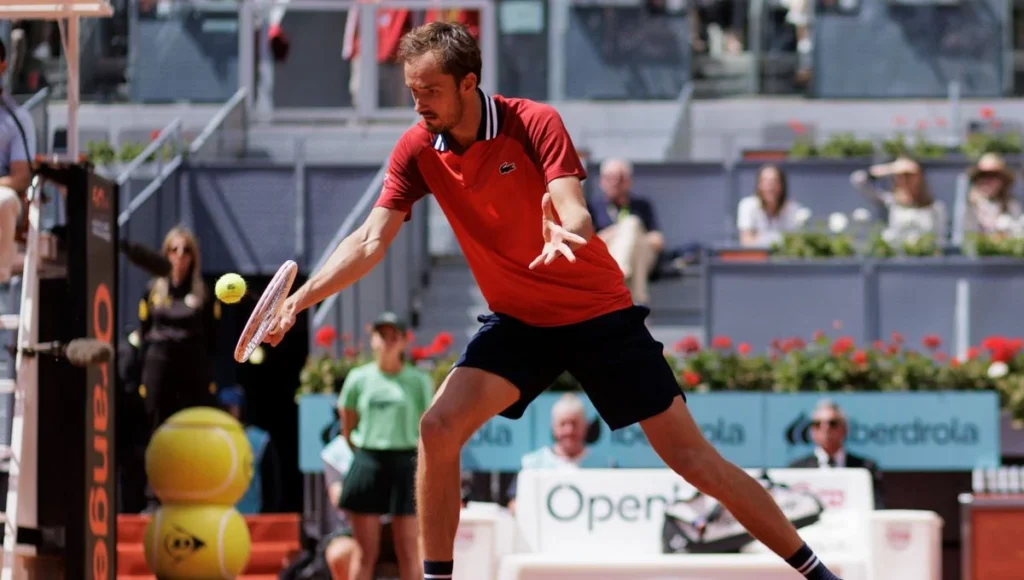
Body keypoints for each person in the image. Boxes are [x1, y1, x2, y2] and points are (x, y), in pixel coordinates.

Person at [264, 22, 844, 580]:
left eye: (431, 92)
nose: (420, 106)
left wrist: (569, 227)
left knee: (694, 462)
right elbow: (370, 240)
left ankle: (816, 571)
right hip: (519, 323)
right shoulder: (418, 148)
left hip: (598, 315)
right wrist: (302, 299)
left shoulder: (533, 121)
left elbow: (575, 207)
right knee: (438, 428)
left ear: (470, 83)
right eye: (413, 93)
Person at [337, 312, 433, 580]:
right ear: (372, 340)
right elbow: (348, 420)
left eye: (395, 336)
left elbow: (426, 423)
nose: (388, 341)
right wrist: (360, 448)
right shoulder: (358, 378)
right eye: (382, 335)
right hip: (368, 460)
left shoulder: (418, 380)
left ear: (404, 342)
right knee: (365, 551)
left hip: (406, 462)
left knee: (409, 549)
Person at [137, 226, 219, 435]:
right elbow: (144, 331)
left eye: (186, 250)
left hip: (192, 366)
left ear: (193, 256)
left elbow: (213, 334)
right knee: (155, 423)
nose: (180, 256)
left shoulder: (203, 292)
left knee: (193, 425)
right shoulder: (153, 289)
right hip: (159, 364)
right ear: (166, 254)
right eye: (174, 250)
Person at [506, 393, 600, 514]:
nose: (568, 431)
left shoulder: (605, 465)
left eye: (574, 423)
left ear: (585, 426)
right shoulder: (531, 464)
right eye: (563, 424)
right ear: (554, 427)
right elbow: (514, 503)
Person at [587, 159, 664, 305]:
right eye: (610, 178)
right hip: (608, 256)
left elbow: (658, 240)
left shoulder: (642, 205)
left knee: (632, 225)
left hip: (644, 257)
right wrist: (619, 231)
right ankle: (639, 302)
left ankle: (621, 272)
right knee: (631, 229)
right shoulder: (593, 207)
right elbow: (591, 242)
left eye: (620, 178)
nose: (615, 182)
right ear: (602, 181)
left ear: (629, 181)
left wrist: (633, 235)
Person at [788, 399, 885, 509]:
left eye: (832, 423)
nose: (825, 428)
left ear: (845, 429)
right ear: (811, 431)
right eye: (817, 424)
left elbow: (876, 507)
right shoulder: (797, 468)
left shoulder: (865, 468)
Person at [0, 38, 35, 283]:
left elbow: (22, 177)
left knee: (2, 201)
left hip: (4, 196)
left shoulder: (17, 117)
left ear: (2, 67)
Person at [218, 385, 283, 515]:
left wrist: (266, 519)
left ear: (240, 409)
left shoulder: (259, 440)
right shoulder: (210, 439)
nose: (227, 413)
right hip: (220, 517)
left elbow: (271, 488)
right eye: (223, 408)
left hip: (253, 518)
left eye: (231, 408)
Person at [850, 156, 947, 243]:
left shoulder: (936, 208)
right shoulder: (890, 201)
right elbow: (858, 180)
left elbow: (940, 239)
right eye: (899, 175)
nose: (904, 180)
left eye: (909, 175)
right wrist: (890, 168)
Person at [737, 164, 807, 248]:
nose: (770, 186)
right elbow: (746, 241)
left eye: (774, 181)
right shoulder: (747, 205)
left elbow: (797, 243)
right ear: (758, 185)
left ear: (782, 186)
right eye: (765, 181)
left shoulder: (794, 208)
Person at [958, 152, 1021, 240]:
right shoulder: (968, 207)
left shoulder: (1013, 206)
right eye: (982, 176)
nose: (987, 181)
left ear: (1002, 181)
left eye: (993, 176)